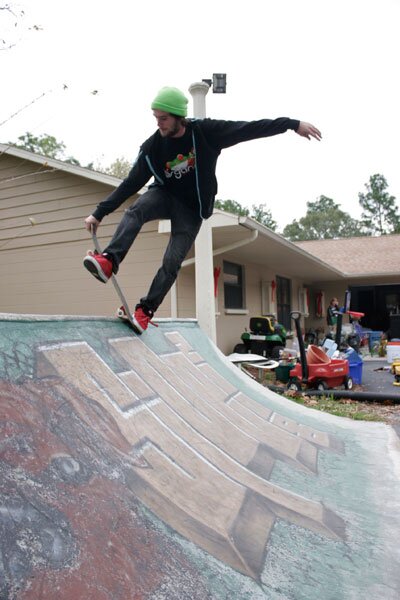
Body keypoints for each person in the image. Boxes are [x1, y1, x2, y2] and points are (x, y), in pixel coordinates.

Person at [83, 86, 322, 334]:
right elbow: (131, 183)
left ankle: (145, 311)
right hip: (164, 195)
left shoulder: (206, 133)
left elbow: (248, 128)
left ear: (178, 117)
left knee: (172, 262)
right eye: (156, 118)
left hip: (192, 209)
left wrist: (292, 124)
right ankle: (110, 260)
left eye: (163, 119)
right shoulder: (152, 147)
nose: (159, 124)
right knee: (137, 209)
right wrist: (99, 212)